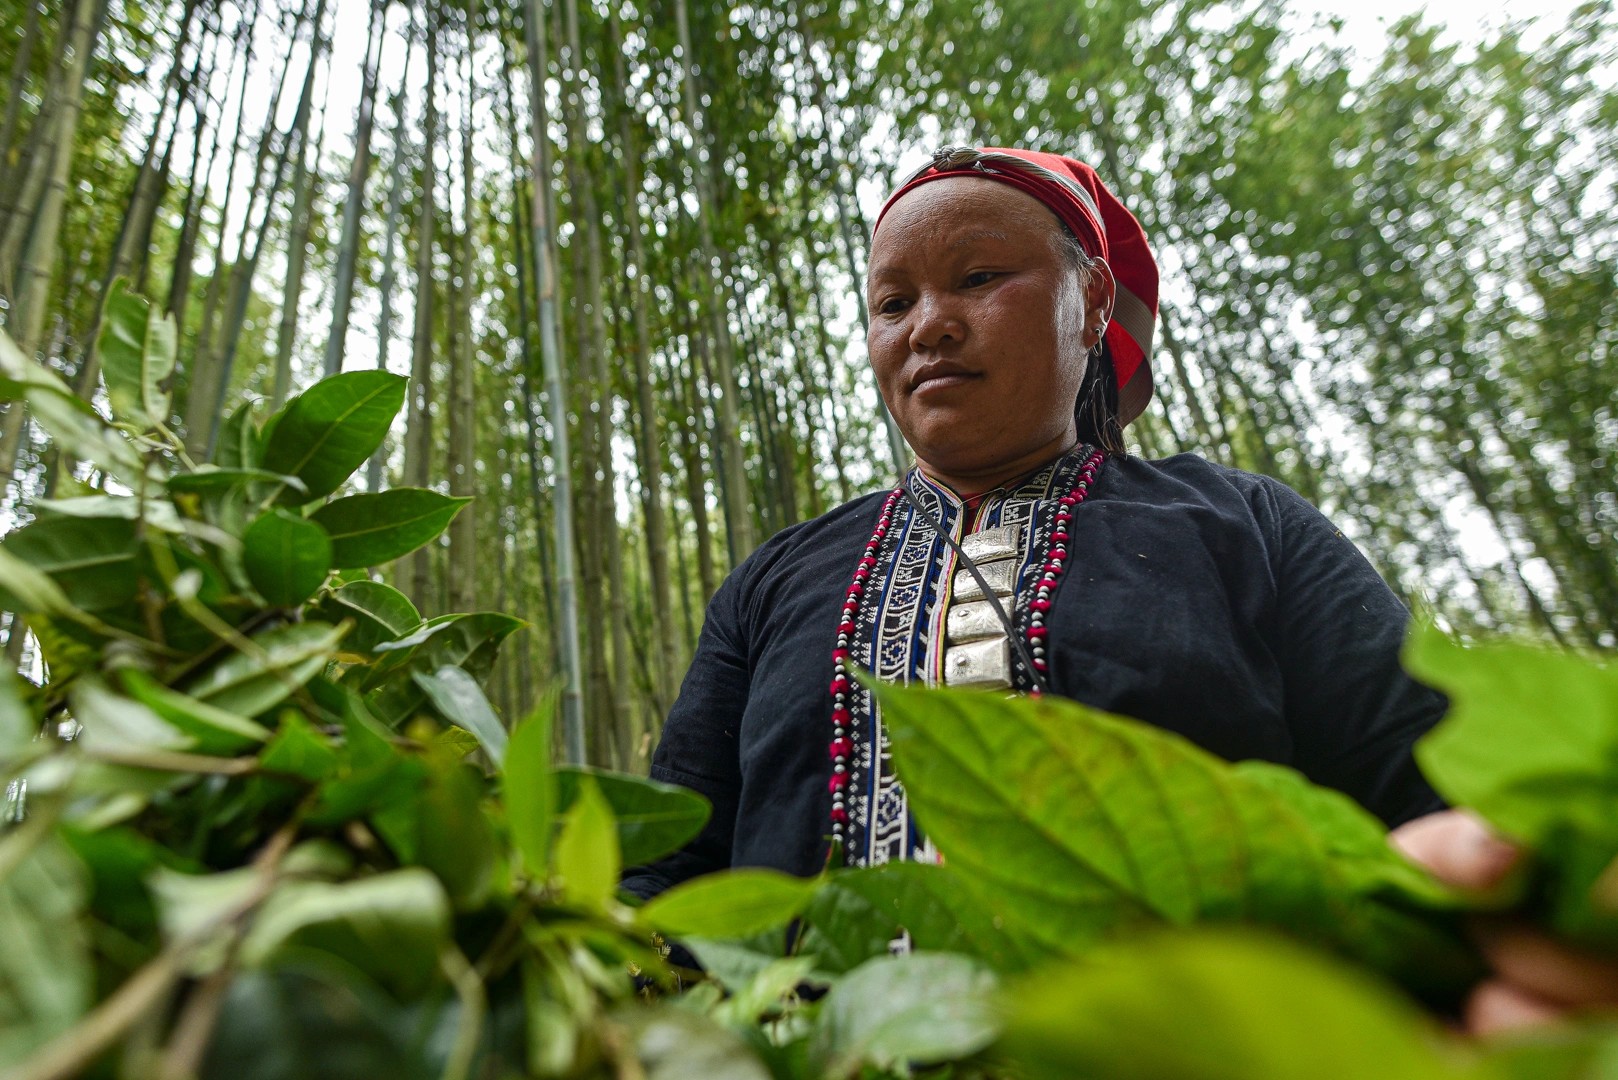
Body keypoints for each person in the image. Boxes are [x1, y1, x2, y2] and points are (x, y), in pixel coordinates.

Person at [621, 145, 1617, 1030]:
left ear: (1093, 301)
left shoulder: (1242, 524)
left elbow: (1426, 784)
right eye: (892, 303)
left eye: (977, 277)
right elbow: (663, 875)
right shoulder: (773, 581)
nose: (929, 326)